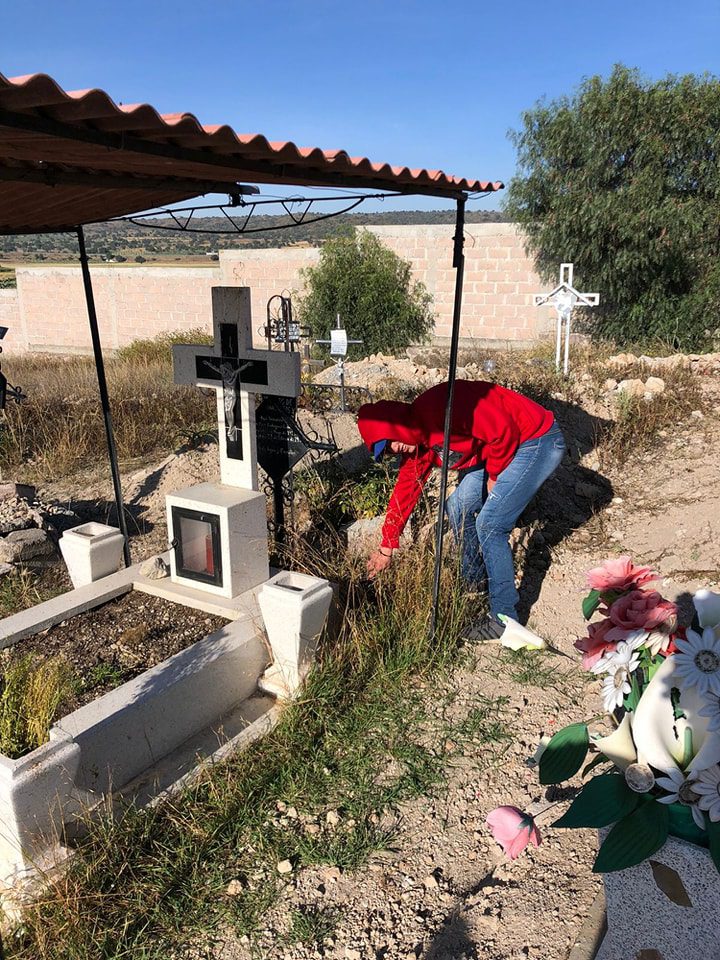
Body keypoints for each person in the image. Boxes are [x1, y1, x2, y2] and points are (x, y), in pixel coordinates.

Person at [356, 379, 566, 639]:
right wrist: (386, 547)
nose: (394, 448)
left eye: (390, 440)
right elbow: (404, 494)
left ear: (396, 422)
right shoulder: (418, 450)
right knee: (457, 506)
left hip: (535, 440)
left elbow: (503, 430)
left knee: (490, 524)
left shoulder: (440, 407)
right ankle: (476, 580)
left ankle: (504, 620)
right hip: (500, 449)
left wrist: (495, 477)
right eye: (386, 450)